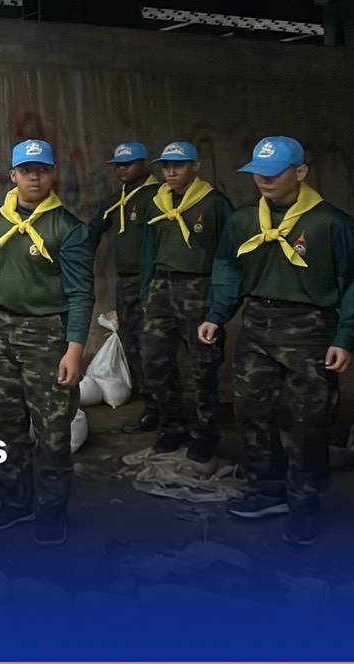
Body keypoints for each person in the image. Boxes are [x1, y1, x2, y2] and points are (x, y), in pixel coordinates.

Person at [199, 136, 354, 547]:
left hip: (310, 327)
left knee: (308, 420)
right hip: (258, 324)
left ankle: (305, 502)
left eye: (273, 172)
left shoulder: (330, 223)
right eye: (258, 171)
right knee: (251, 411)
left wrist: (346, 336)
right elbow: (228, 270)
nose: (263, 179)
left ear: (301, 172)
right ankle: (266, 489)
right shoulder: (244, 220)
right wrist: (217, 314)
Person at [0, 140, 93, 547]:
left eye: (42, 169)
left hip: (48, 337)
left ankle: (51, 513)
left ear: (53, 174)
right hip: (3, 335)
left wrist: (74, 348)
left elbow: (81, 294)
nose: (34, 176)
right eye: (26, 170)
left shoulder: (68, 230)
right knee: (4, 425)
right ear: (12, 175)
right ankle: (15, 502)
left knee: (51, 431)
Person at [137, 140, 232, 469]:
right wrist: (146, 288)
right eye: (166, 166)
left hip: (199, 285)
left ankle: (206, 434)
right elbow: (149, 248)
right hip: (162, 285)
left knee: (203, 364)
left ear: (196, 167)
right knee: (155, 359)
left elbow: (227, 254)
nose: (171, 172)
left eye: (179, 165)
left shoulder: (215, 203)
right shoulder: (156, 203)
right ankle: (172, 426)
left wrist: (221, 302)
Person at [90, 142, 161, 433]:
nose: (122, 169)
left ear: (144, 164)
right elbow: (93, 230)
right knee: (132, 344)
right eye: (118, 164)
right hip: (126, 282)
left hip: (153, 281)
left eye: (128, 163)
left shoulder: (157, 197)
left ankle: (167, 411)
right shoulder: (115, 199)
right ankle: (151, 408)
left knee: (155, 348)